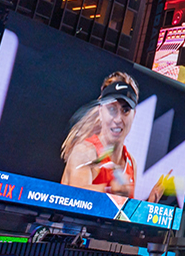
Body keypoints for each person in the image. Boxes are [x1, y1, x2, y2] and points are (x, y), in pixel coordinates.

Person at [62, 72, 163, 201]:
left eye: (125, 110)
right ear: (101, 111)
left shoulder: (131, 162)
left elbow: (120, 215)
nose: (118, 119)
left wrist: (151, 202)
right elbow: (76, 197)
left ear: (134, 115)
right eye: (112, 109)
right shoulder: (84, 152)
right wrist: (109, 189)